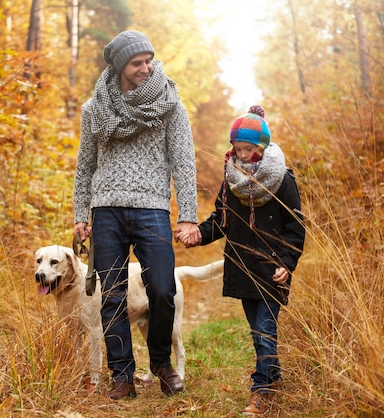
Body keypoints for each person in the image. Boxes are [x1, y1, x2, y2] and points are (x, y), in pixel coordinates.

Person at [73, 30, 199, 400]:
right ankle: (122, 376)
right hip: (106, 210)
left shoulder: (169, 103)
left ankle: (160, 361)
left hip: (153, 208)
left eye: (148, 60)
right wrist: (81, 212)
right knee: (111, 295)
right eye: (137, 63)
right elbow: (85, 166)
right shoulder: (94, 110)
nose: (146, 68)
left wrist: (188, 215)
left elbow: (184, 163)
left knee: (162, 289)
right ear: (119, 66)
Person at [175, 105, 305, 416]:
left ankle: (260, 391)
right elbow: (221, 220)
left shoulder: (282, 178)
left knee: (264, 329)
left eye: (249, 149)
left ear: (261, 148)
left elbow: (295, 226)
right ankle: (272, 378)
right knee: (258, 330)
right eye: (238, 149)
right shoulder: (231, 178)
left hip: (272, 268)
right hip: (242, 266)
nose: (243, 155)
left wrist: (286, 262)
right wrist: (198, 235)